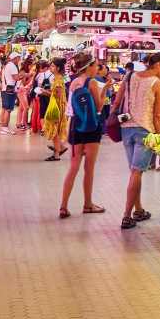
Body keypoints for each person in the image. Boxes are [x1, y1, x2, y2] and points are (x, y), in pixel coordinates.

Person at [119, 51, 160, 229]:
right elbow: (158, 115)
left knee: (135, 172)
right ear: (157, 65)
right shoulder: (157, 84)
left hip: (126, 129)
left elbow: (118, 99)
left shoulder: (130, 76)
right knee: (136, 172)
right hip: (145, 132)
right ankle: (126, 215)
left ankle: (139, 209)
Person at [58, 53, 106, 218]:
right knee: (89, 169)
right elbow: (99, 107)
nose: (98, 69)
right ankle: (88, 204)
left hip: (76, 126)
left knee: (73, 167)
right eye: (96, 65)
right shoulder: (91, 82)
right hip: (92, 127)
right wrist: (105, 89)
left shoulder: (73, 83)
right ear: (89, 67)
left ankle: (63, 206)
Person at [43, 57, 69, 161]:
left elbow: (57, 95)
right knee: (56, 130)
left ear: (58, 68)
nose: (50, 67)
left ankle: (57, 153)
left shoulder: (58, 79)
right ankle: (60, 147)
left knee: (54, 129)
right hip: (58, 106)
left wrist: (45, 92)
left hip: (56, 107)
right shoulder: (58, 78)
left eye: (53, 66)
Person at [0, 52, 19, 134]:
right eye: (18, 58)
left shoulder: (6, 66)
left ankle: (3, 126)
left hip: (5, 89)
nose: (19, 60)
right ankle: (5, 127)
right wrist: (25, 75)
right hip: (10, 89)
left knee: (4, 108)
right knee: (8, 109)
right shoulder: (12, 66)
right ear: (15, 58)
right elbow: (16, 78)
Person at [15, 57, 35, 131]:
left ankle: (18, 123)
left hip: (22, 90)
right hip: (21, 90)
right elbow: (24, 83)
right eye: (31, 65)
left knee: (21, 108)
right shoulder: (23, 72)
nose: (32, 67)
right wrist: (30, 78)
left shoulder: (25, 72)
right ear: (28, 65)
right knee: (26, 107)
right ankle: (23, 124)